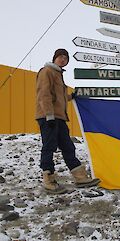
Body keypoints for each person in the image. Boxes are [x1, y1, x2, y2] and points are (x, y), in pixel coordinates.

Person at [35, 48, 100, 194]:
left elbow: (59, 98)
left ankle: (80, 177)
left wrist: (72, 96)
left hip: (59, 117)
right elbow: (43, 94)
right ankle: (48, 180)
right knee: (49, 146)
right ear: (55, 58)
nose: (63, 60)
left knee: (68, 146)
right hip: (48, 117)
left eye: (65, 58)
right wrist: (49, 115)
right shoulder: (47, 71)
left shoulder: (58, 74)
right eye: (60, 57)